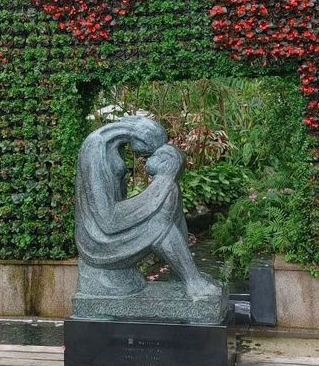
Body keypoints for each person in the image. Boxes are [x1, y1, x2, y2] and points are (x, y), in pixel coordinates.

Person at [74, 116, 221, 301]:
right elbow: (107, 220)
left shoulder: (111, 144)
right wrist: (161, 185)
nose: (148, 159)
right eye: (151, 152)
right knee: (158, 224)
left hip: (110, 231)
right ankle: (194, 283)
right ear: (142, 139)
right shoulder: (95, 149)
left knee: (171, 195)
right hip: (97, 242)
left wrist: (167, 182)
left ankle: (183, 276)